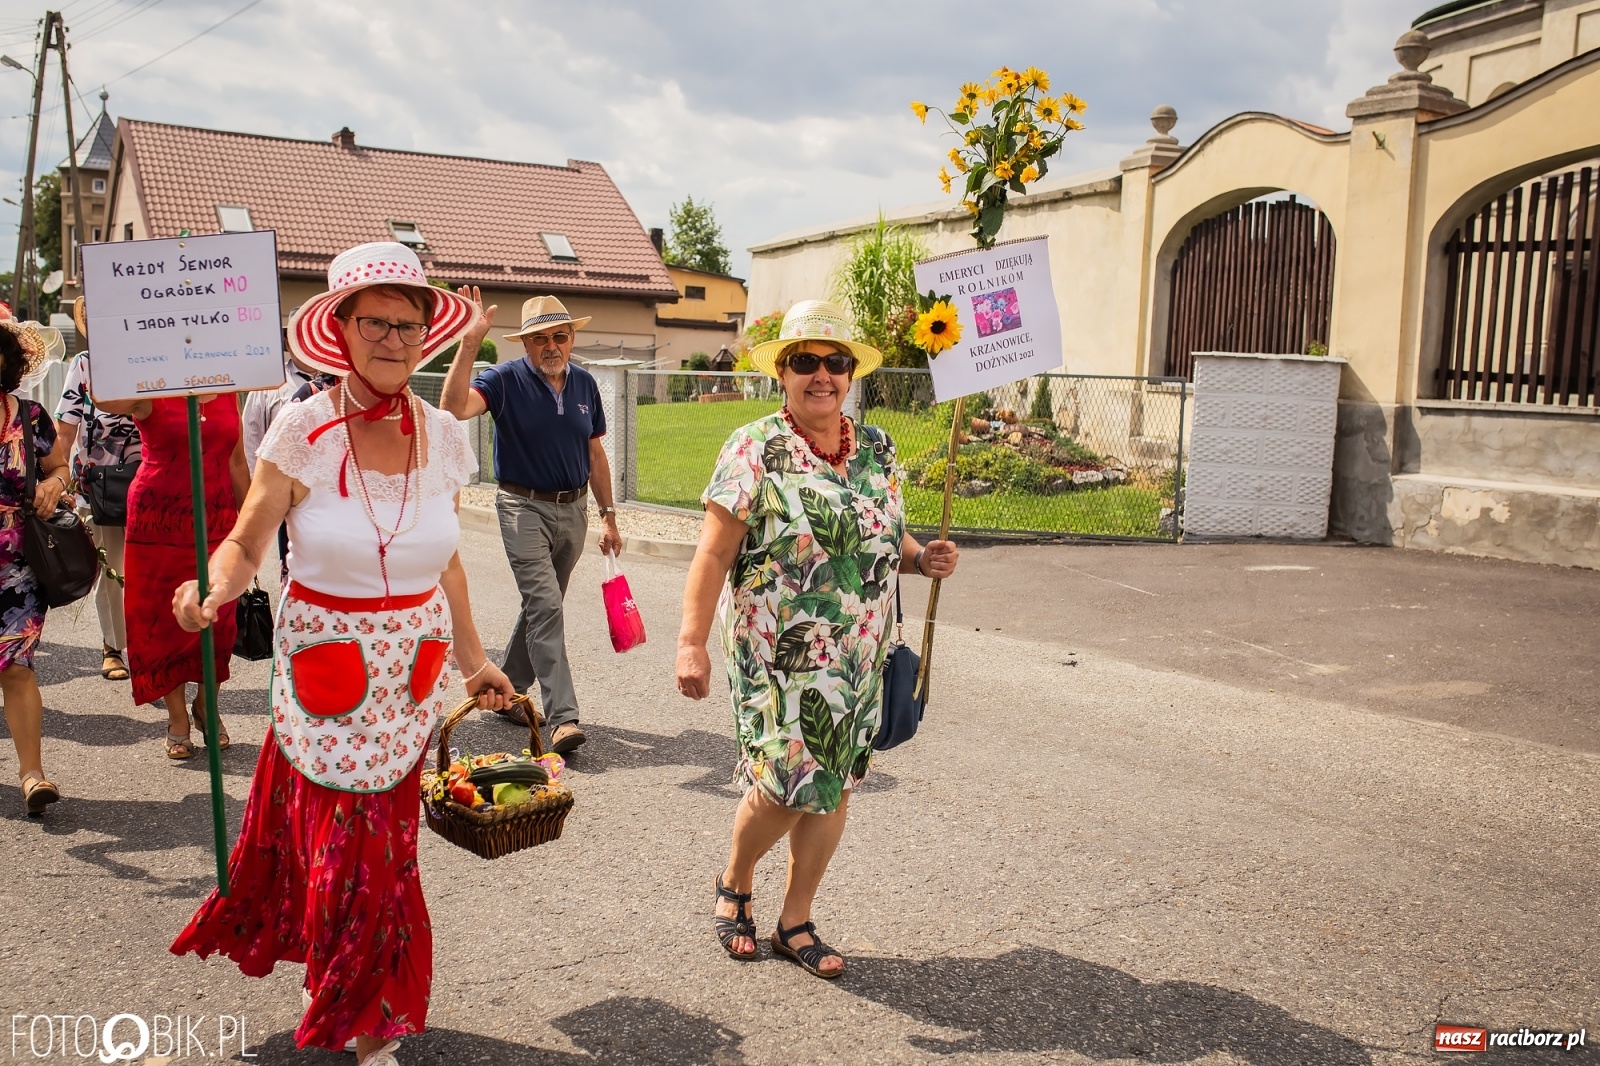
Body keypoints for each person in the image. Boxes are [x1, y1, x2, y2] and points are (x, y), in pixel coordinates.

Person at [169, 242, 514, 1066]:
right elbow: (249, 542)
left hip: (408, 688)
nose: (393, 339)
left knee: (385, 863)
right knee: (343, 864)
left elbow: (449, 560)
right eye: (376, 323)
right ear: (341, 329)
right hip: (326, 684)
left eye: (408, 323)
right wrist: (210, 589)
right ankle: (362, 1020)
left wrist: (475, 660)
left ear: (427, 333)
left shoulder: (443, 434)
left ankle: (359, 995)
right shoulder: (302, 428)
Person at [675, 300, 960, 977]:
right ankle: (735, 881)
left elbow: (885, 531)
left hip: (860, 656)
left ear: (850, 374)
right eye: (806, 361)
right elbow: (713, 555)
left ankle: (795, 919)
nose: (822, 375)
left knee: (834, 785)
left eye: (836, 362)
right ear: (782, 371)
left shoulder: (879, 447)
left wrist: (922, 559)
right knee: (784, 783)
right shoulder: (753, 448)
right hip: (779, 656)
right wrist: (690, 642)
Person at [440, 294, 622, 754]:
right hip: (522, 507)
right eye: (539, 338)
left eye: (560, 336)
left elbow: (595, 454)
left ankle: (511, 688)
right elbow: (453, 408)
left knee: (544, 605)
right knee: (546, 605)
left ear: (572, 338)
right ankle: (563, 717)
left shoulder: (584, 385)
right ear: (525, 344)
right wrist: (468, 346)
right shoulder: (503, 380)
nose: (551, 345)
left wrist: (609, 516)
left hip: (574, 510)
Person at [96, 381, 249, 758]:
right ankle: (177, 717)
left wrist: (250, 528)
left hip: (219, 517)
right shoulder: (151, 388)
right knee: (162, 621)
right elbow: (104, 396)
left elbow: (237, 460)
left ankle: (206, 704)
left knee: (218, 618)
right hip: (158, 519)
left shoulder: (230, 387)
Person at [0, 318, 72, 814]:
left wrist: (55, 485)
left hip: (19, 563)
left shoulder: (29, 416)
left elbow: (60, 467)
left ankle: (32, 775)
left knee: (17, 667)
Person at [51, 299, 142, 682]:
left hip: (150, 479)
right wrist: (59, 480)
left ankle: (146, 645)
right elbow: (66, 430)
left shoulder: (152, 362)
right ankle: (113, 647)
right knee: (112, 568)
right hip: (100, 485)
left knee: (148, 568)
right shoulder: (85, 364)